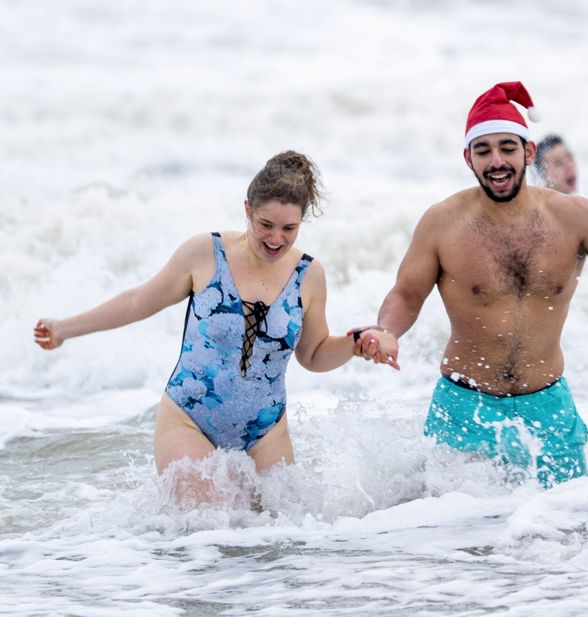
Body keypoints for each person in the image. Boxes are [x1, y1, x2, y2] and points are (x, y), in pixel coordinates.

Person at [33, 151, 391, 501]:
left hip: (266, 433)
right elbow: (137, 302)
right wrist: (64, 328)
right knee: (207, 530)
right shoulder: (205, 253)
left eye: (289, 228)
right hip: (189, 419)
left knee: (281, 540)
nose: (276, 238)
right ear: (247, 209)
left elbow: (313, 355)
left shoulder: (309, 276)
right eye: (266, 224)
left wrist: (355, 344)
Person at [361, 82, 588, 488]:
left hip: (548, 407)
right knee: (457, 544)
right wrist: (386, 330)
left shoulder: (573, 216)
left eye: (507, 148)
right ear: (468, 158)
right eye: (483, 150)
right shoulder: (442, 222)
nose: (497, 161)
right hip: (465, 407)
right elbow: (406, 293)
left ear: (528, 151)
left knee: (563, 534)